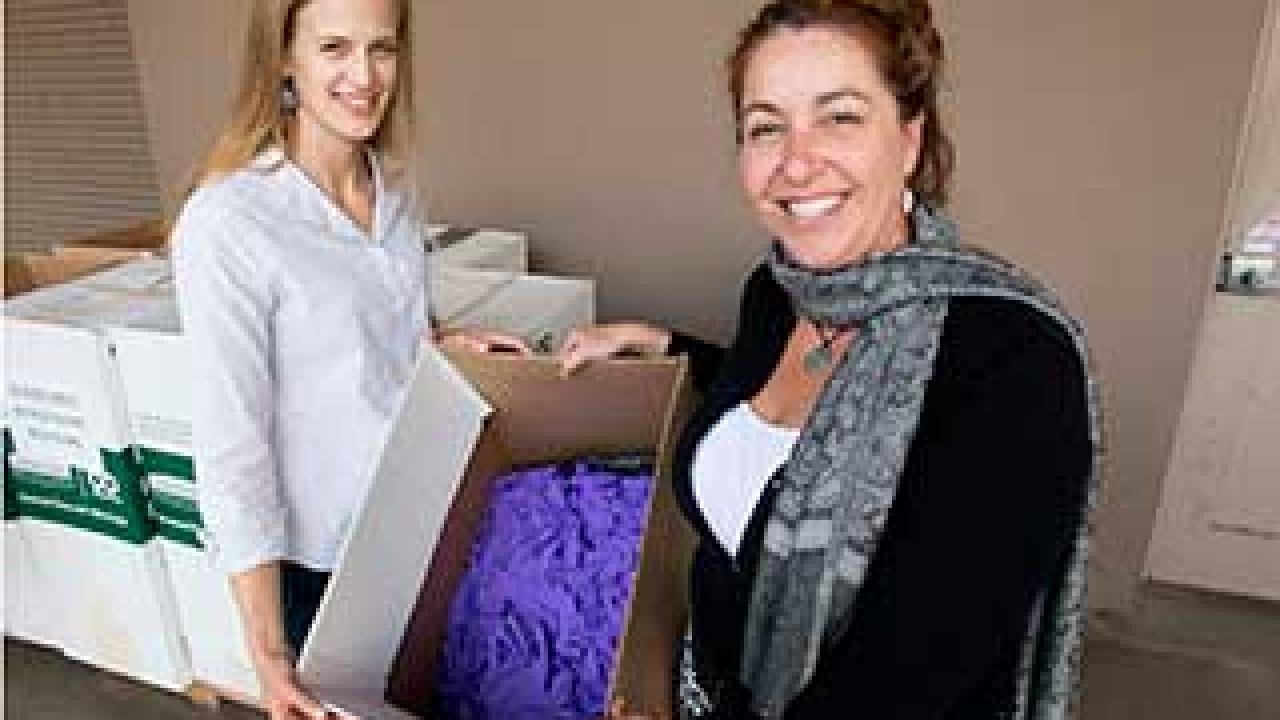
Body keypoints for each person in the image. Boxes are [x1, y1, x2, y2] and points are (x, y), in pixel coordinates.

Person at [560, 1, 1101, 718]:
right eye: (765, 126)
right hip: (703, 686)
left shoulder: (1018, 367)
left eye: (839, 117)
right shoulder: (778, 294)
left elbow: (893, 692)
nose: (796, 160)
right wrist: (663, 343)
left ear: (909, 140)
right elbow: (786, 414)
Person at [172, 2, 523, 718]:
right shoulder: (229, 222)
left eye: (382, 49)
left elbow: (381, 331)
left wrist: (442, 342)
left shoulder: (393, 189)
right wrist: (268, 653)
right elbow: (232, 443)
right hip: (323, 566)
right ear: (284, 61)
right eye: (334, 47)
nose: (364, 76)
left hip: (417, 514)